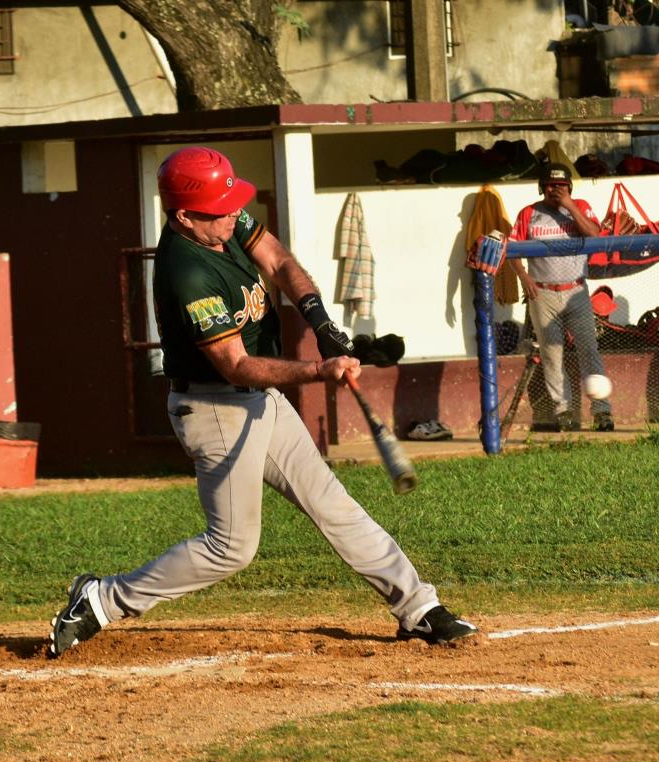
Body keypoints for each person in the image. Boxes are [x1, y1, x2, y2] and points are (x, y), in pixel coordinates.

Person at [47, 147, 477, 658]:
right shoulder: (186, 272)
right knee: (230, 548)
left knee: (333, 505)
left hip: (261, 402)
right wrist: (319, 370)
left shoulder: (221, 218)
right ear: (184, 215)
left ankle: (418, 609)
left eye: (231, 204)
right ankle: (100, 600)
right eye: (218, 209)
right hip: (217, 412)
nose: (232, 214)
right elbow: (235, 364)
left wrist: (321, 324)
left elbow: (278, 259)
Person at [508, 163, 614, 432]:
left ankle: (602, 411)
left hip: (576, 290)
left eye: (562, 185)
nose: (557, 190)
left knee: (589, 349)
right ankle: (563, 410)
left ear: (570, 186)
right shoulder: (529, 213)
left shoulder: (580, 205)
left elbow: (594, 233)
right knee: (552, 354)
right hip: (542, 292)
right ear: (542, 187)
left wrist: (570, 204)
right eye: (552, 186)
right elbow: (512, 248)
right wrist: (524, 277)